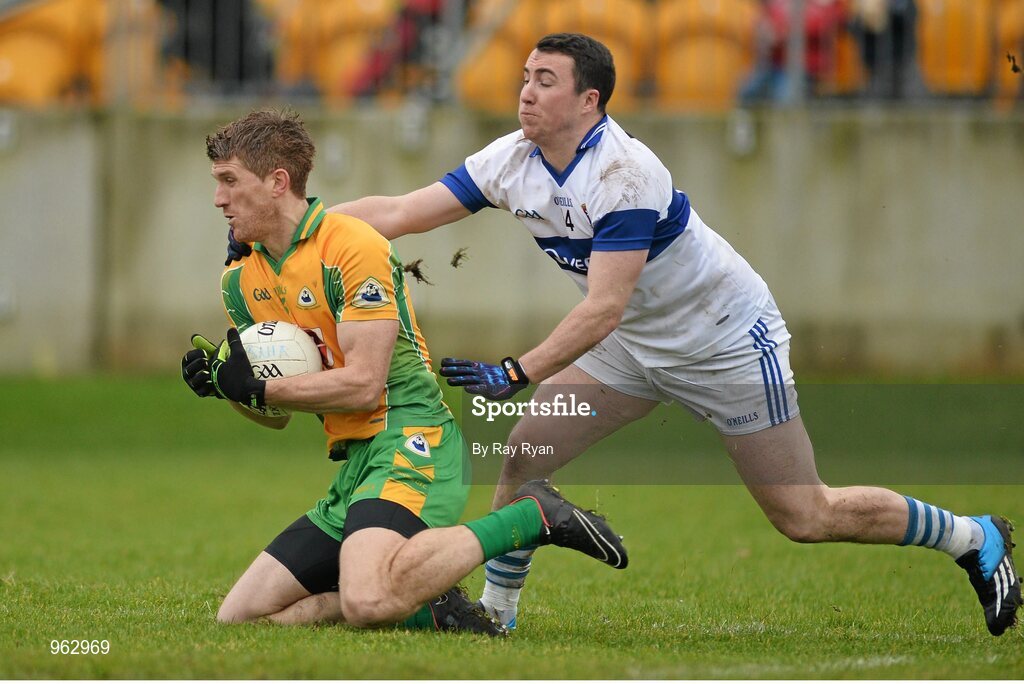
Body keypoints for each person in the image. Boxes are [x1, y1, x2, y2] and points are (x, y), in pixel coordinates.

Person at [225, 35, 1020, 637]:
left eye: (545, 82)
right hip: (632, 351)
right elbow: (398, 213)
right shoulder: (513, 158)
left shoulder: (626, 177)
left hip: (722, 344)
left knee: (804, 514)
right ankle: (497, 616)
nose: (525, 94)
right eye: (524, 78)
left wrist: (517, 369)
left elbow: (603, 305)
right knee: (527, 455)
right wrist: (295, 230)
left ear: (591, 102)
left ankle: (970, 536)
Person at [183, 108, 628, 635]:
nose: (218, 199)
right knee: (240, 617)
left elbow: (364, 384)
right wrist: (227, 388)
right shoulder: (239, 281)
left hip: (411, 440)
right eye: (218, 183)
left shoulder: (353, 247)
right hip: (354, 467)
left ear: (278, 182)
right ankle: (429, 606)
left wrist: (261, 386)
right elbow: (278, 413)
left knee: (367, 600)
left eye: (229, 182)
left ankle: (532, 515)